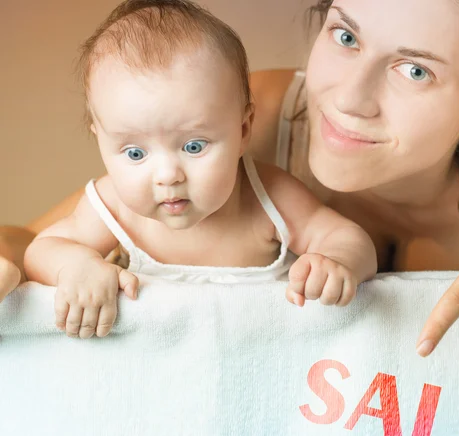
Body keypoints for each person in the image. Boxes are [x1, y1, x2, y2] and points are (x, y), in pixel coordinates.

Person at [2, 0, 459, 355]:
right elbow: (32, 243)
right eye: (345, 36)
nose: (346, 99)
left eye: (414, 70)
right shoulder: (256, 119)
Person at [22, 0, 377, 339]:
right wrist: (77, 266)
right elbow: (43, 249)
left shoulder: (269, 196)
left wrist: (336, 263)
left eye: (193, 146)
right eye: (134, 153)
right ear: (99, 139)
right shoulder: (113, 205)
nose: (167, 175)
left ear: (242, 130)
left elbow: (349, 238)